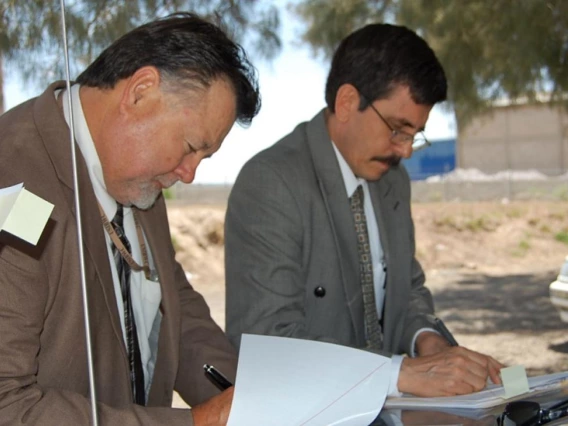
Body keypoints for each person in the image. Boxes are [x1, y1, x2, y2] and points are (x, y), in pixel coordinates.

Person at [0, 13, 260, 425]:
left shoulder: (138, 178)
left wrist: (250, 399)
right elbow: (6, 404)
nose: (189, 174)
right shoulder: (14, 183)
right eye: (191, 146)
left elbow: (174, 307)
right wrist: (195, 423)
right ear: (140, 92)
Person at [225, 23, 503, 397]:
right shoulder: (272, 182)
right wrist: (399, 374)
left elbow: (408, 286)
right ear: (346, 102)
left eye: (414, 134)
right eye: (397, 129)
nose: (405, 150)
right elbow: (266, 341)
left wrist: (428, 341)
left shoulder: (393, 180)